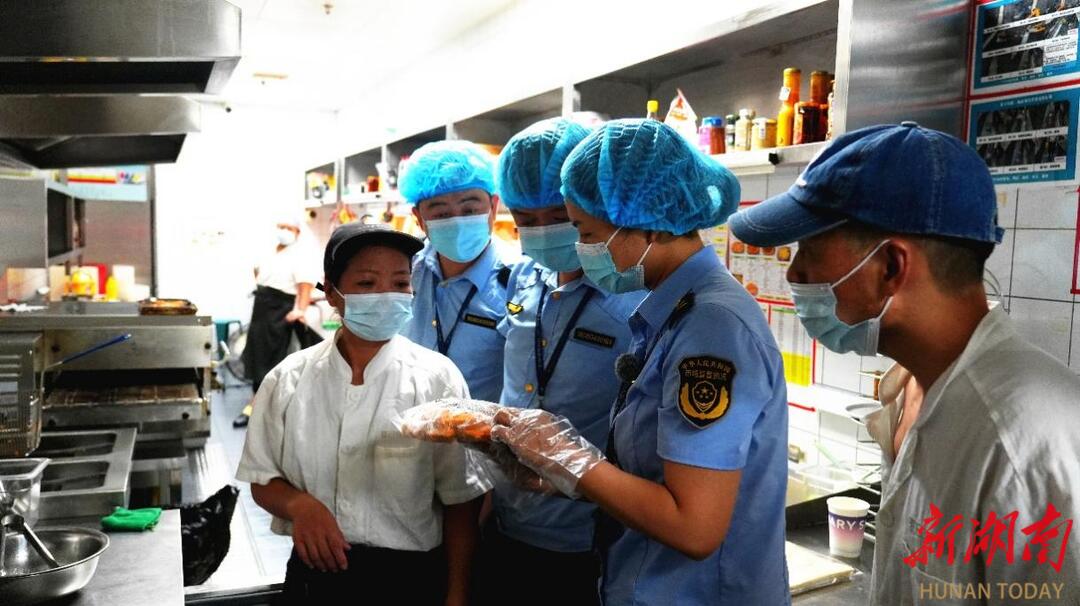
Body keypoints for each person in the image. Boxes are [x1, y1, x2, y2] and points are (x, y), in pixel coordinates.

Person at [727, 122, 1080, 604]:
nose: (794, 272)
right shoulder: (909, 388)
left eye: (809, 248)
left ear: (891, 266)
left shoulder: (1025, 444)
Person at [491, 119, 791, 605]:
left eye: (586, 233)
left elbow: (694, 527)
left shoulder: (711, 327)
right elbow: (654, 475)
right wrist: (567, 478)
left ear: (648, 223)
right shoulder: (670, 311)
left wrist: (570, 458)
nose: (581, 250)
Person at [235, 223, 493, 605]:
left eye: (400, 283)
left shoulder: (437, 378)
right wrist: (298, 506)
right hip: (315, 578)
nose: (386, 296)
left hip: (411, 580)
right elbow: (262, 478)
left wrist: (456, 596)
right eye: (367, 283)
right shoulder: (288, 380)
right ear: (331, 293)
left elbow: (461, 500)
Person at [475, 118, 645, 606]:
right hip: (505, 520)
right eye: (525, 220)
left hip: (588, 538)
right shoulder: (524, 277)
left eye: (558, 215)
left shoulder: (631, 290)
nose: (542, 231)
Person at [400, 140, 512, 403]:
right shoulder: (404, 272)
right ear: (419, 218)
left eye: (470, 209)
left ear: (494, 207)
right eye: (441, 214)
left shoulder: (520, 281)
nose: (457, 221)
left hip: (481, 426)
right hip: (404, 420)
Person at [235, 215, 322, 428]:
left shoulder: (300, 255)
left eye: (288, 228)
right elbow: (257, 271)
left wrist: (299, 309)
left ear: (297, 232)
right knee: (256, 355)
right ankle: (258, 405)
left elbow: (305, 285)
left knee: (271, 360)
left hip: (280, 310)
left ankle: (259, 408)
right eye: (281, 226)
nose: (283, 231)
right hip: (262, 307)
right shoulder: (271, 251)